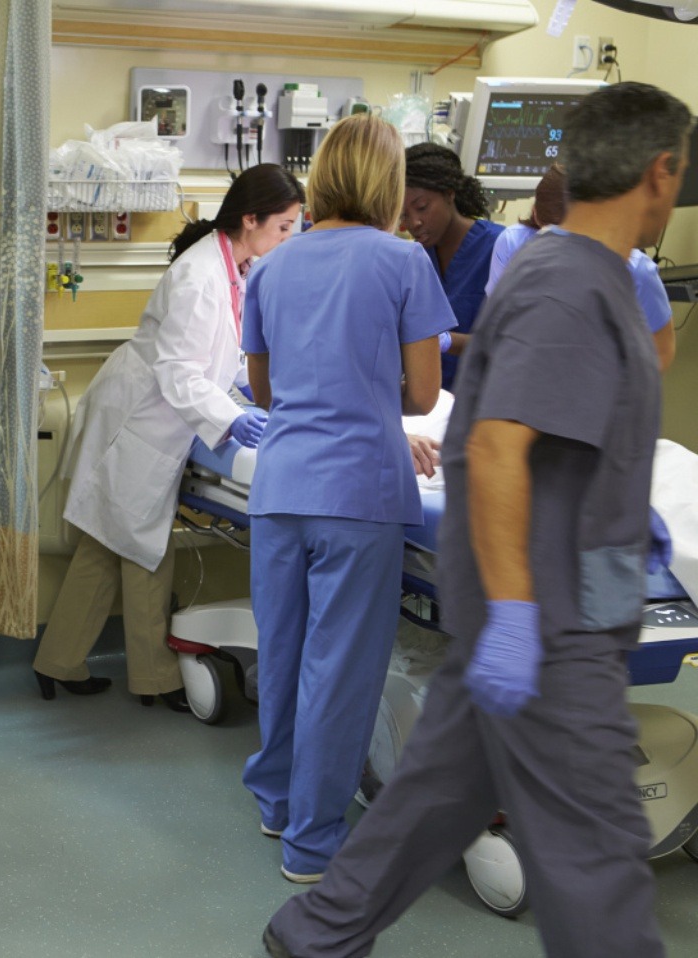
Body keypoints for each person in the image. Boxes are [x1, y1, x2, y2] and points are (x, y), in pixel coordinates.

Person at [263, 81, 690, 958]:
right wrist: (520, 618)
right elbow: (492, 447)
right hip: (548, 613)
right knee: (593, 848)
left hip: (530, 591)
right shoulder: (563, 285)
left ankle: (316, 929)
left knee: (438, 792)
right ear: (660, 171)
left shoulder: (594, 275)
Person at [240, 113, 453, 885]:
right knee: (339, 670)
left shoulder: (271, 268)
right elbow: (423, 393)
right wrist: (364, 390)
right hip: (358, 491)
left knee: (283, 653)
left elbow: (265, 391)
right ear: (388, 183)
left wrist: (324, 387)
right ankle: (312, 841)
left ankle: (275, 801)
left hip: (280, 487)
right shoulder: (404, 262)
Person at [33, 163, 303, 710]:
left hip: (155, 414)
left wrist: (249, 391)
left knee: (107, 545)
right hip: (139, 419)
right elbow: (180, 370)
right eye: (283, 226)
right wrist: (231, 418)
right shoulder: (200, 275)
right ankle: (155, 680)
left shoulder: (235, 268)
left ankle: (57, 662)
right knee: (144, 549)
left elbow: (219, 352)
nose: (288, 238)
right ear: (250, 220)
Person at [486, 163, 676, 370]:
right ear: (536, 215)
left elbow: (662, 351)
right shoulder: (513, 243)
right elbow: (498, 325)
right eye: (552, 236)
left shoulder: (636, 270)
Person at [401, 143, 504, 391]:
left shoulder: (498, 247)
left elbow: (508, 343)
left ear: (449, 194)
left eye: (422, 207)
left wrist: (443, 341)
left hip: (480, 397)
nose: (414, 222)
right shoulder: (417, 258)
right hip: (431, 400)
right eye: (403, 215)